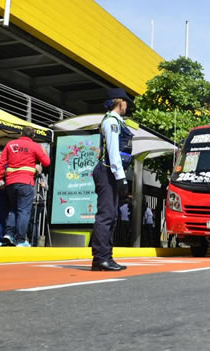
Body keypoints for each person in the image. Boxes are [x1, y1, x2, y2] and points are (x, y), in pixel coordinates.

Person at [91, 88, 134, 271]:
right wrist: (121, 178)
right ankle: (101, 258)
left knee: (112, 216)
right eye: (125, 102)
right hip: (108, 171)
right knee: (106, 215)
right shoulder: (111, 122)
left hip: (110, 172)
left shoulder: (117, 122)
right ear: (119, 102)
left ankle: (105, 257)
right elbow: (113, 151)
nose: (126, 106)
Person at [0, 127, 50, 247]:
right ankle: (20, 240)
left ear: (21, 133)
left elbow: (1, 162)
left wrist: (0, 178)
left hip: (10, 182)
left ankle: (8, 234)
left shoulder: (10, 144)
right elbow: (46, 162)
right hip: (26, 182)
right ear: (33, 136)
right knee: (24, 211)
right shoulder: (35, 146)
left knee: (13, 209)